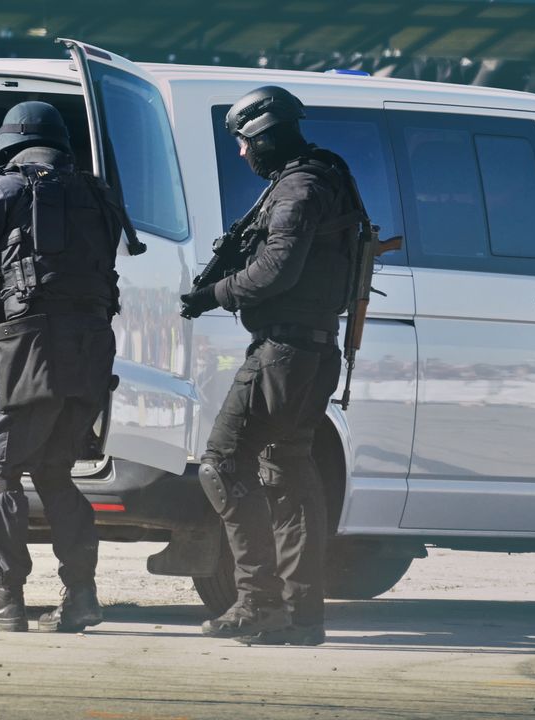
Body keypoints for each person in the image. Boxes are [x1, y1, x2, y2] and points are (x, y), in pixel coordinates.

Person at [0, 100, 135, 633]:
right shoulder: (98, 192)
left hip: (31, 345)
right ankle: (82, 596)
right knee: (53, 471)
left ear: (10, 143)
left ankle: (5, 599)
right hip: (92, 348)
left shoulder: (7, 188)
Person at [179, 86, 364, 646]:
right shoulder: (327, 175)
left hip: (283, 353)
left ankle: (259, 600)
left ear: (263, 133)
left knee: (223, 464)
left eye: (242, 142)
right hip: (311, 350)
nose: (240, 153)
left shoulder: (299, 187)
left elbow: (276, 271)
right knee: (289, 471)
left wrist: (214, 294)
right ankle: (300, 613)